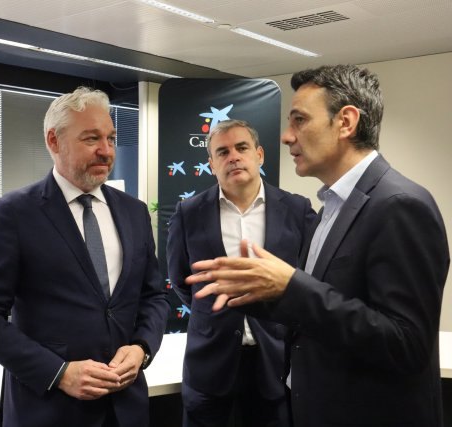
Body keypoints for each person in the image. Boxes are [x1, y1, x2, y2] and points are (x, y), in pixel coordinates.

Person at [188, 65, 450, 427]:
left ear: (346, 122)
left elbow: (407, 344)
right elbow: (327, 308)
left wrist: (290, 286)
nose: (286, 136)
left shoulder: (399, 205)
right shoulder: (332, 206)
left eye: (299, 120)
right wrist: (259, 292)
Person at [0, 86, 169, 427]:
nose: (106, 150)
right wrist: (58, 373)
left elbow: (153, 297)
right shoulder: (15, 213)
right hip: (48, 409)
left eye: (111, 138)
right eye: (91, 138)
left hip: (125, 408)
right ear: (54, 141)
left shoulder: (134, 212)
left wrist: (142, 348)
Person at [167, 119, 315, 427]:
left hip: (276, 365)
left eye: (241, 148)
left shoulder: (297, 210)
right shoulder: (188, 213)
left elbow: (309, 281)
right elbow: (182, 281)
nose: (233, 157)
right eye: (222, 152)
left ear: (259, 155)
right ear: (211, 164)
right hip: (209, 368)